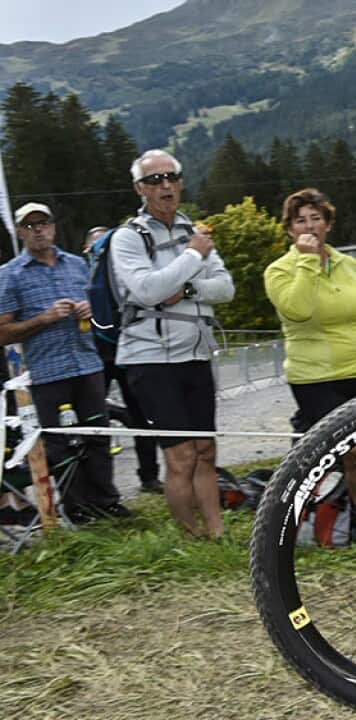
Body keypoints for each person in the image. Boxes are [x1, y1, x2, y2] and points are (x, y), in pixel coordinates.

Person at [264, 188, 356, 552]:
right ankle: (309, 525)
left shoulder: (349, 265)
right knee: (354, 452)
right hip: (316, 378)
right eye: (300, 220)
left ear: (328, 224)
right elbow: (297, 310)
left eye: (316, 218)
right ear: (290, 229)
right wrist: (308, 262)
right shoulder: (279, 271)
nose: (309, 226)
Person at [111, 149, 234, 539]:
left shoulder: (192, 231)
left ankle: (217, 533)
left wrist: (186, 289)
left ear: (180, 182)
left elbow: (225, 289)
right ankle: (189, 537)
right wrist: (194, 256)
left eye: (171, 177)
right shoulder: (128, 238)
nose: (165, 185)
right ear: (139, 188)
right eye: (154, 180)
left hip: (196, 354)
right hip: (150, 360)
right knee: (180, 457)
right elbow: (148, 290)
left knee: (206, 451)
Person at [0, 203, 127, 524]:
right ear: (20, 232)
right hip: (46, 372)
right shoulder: (10, 274)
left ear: (53, 227)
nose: (38, 231)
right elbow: (3, 332)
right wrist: (43, 318)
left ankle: (107, 502)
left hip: (87, 364)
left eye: (43, 224)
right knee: (58, 444)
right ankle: (76, 508)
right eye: (30, 226)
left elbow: (102, 313)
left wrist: (90, 311)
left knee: (98, 435)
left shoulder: (77, 264)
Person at [83, 225, 163, 494]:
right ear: (88, 250)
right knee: (96, 418)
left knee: (142, 417)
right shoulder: (82, 274)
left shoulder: (122, 271)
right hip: (99, 355)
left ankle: (149, 476)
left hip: (126, 352)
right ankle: (101, 487)